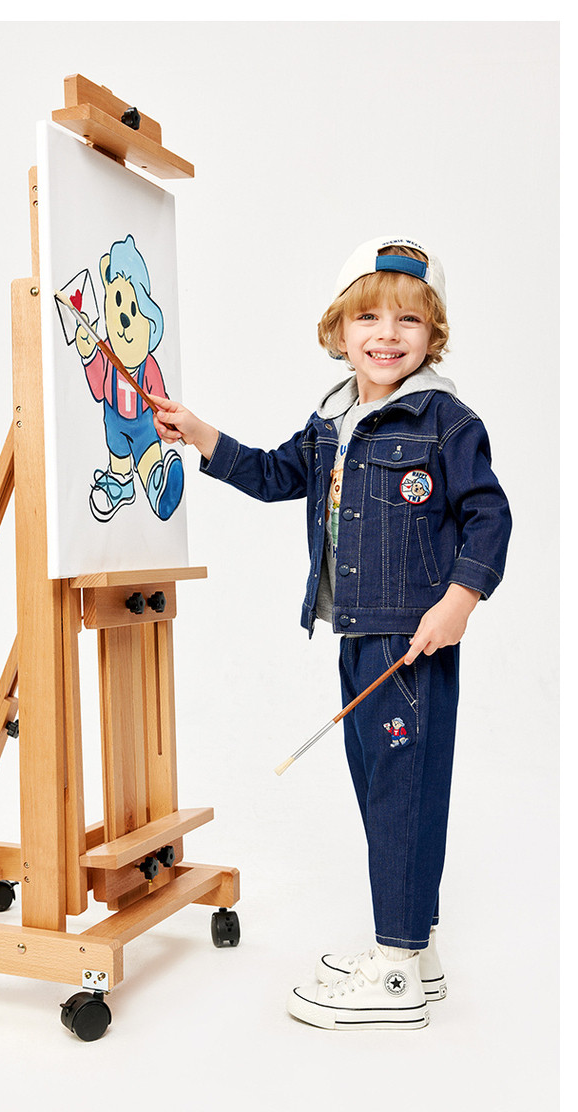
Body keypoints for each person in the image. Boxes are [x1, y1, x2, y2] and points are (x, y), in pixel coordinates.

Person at [150, 236, 512, 1031]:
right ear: (339, 330)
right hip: (354, 633)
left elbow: (489, 515)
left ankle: (394, 970)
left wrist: (460, 600)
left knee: (403, 795)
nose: (387, 334)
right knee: (385, 790)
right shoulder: (333, 420)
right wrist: (202, 435)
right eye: (368, 317)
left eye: (408, 319)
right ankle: (415, 952)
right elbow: (276, 475)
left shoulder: (445, 421)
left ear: (433, 335)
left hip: (409, 639)